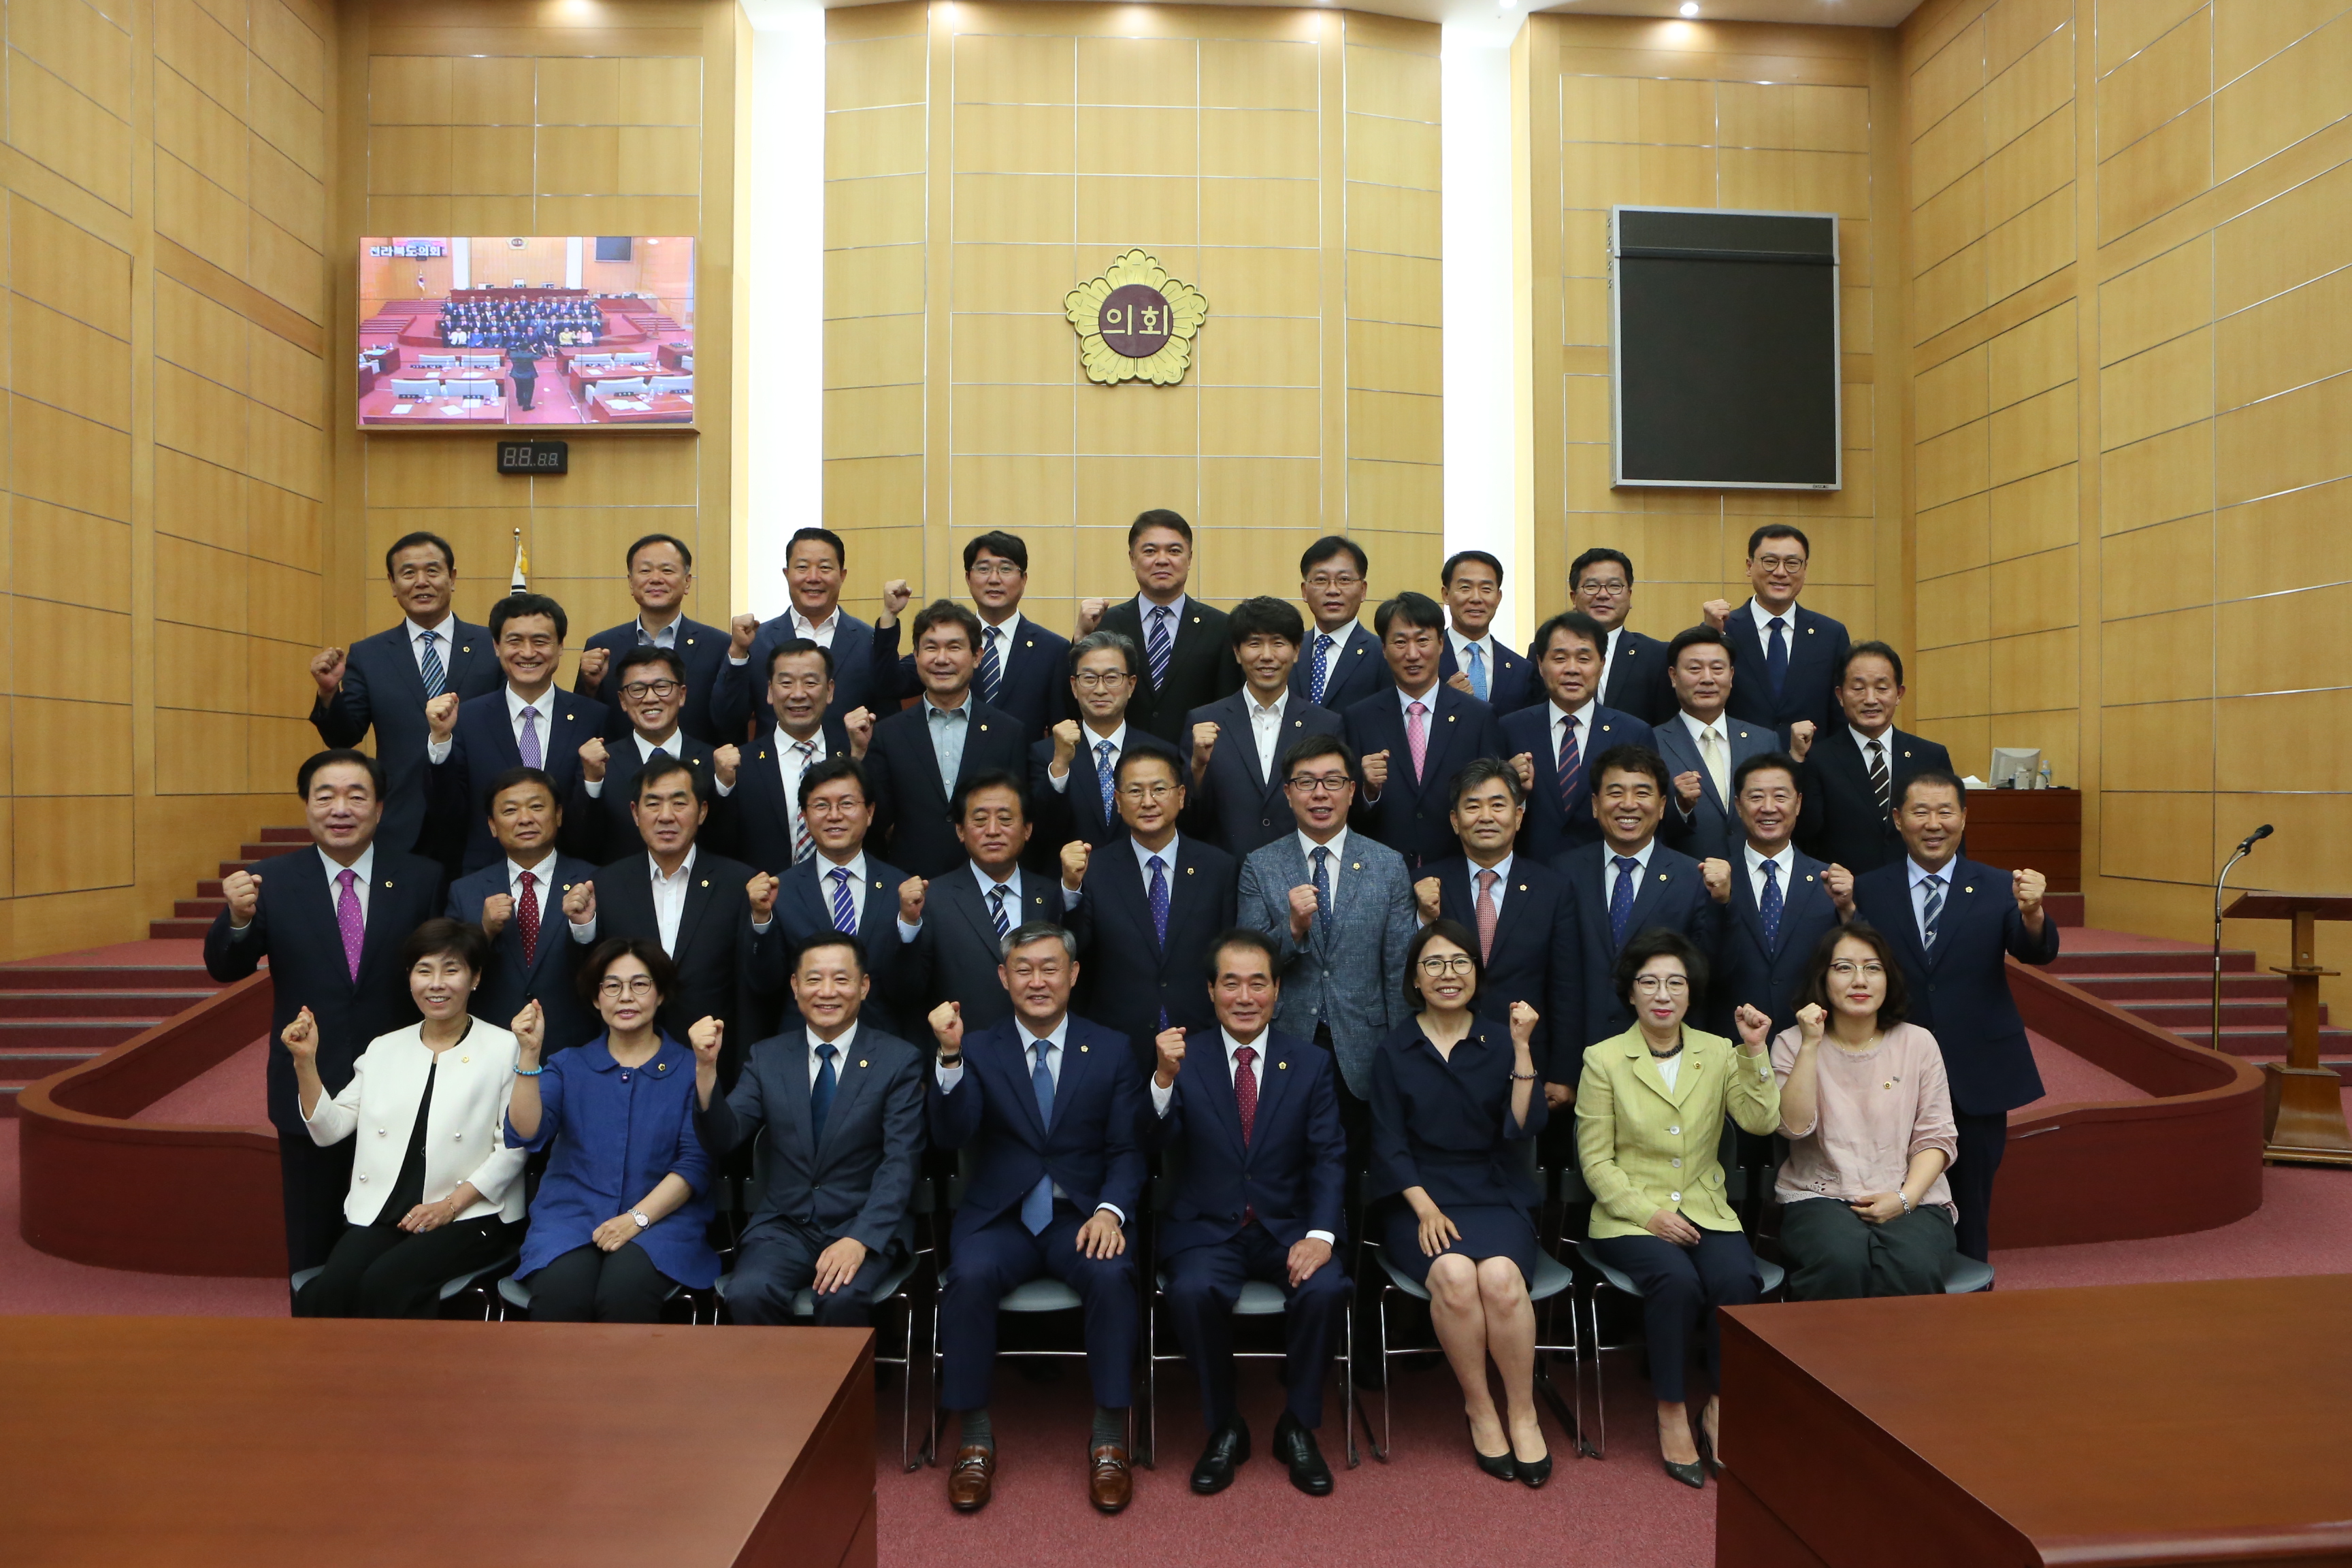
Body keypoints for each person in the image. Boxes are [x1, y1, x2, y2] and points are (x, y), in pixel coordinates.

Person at [930, 923, 1146, 1515]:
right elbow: (952, 1132)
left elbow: (1129, 1150)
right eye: (1023, 969)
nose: (1038, 981)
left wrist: (1109, 1210)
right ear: (1003, 979)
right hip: (1000, 1218)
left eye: (1050, 968)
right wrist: (949, 1056)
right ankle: (974, 1438)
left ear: (1074, 975)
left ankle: (1108, 1440)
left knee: (1110, 1275)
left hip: (1079, 1216)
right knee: (967, 1279)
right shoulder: (976, 1048)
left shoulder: (1111, 1048)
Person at [204, 750, 447, 1269]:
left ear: (379, 809)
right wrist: (239, 919)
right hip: (310, 1085)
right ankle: (312, 1343)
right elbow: (226, 968)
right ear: (307, 807)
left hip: (400, 1088)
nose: (341, 808)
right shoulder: (270, 882)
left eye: (356, 796)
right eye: (325, 796)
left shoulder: (423, 879)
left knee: (393, 1242)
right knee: (313, 1241)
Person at [1575, 929, 1780, 1488]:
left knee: (1739, 1279)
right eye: (1649, 983)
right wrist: (1648, 1216)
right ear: (1631, 993)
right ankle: (1670, 1411)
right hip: (1629, 1215)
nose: (1662, 994)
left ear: (1691, 993)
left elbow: (1760, 1122)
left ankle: (1716, 1403)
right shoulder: (1605, 1059)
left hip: (1703, 1206)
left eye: (1675, 983)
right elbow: (1596, 1163)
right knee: (1678, 1284)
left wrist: (1756, 1053)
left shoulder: (1718, 1050)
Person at [1148, 928, 1348, 1497]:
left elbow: (1330, 1156)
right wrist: (1162, 1080)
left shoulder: (1309, 1063)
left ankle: (1298, 1425)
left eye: (1257, 983)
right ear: (1210, 991)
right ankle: (1225, 1423)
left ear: (1277, 991)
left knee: (1327, 1288)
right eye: (1230, 983)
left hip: (1288, 1227)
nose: (1244, 996)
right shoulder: (1183, 1059)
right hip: (1209, 1228)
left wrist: (1321, 1235)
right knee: (1190, 1292)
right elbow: (1151, 1142)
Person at [1850, 770, 2059, 1262]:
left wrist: (2033, 914)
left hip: (1978, 1071)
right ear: (1899, 820)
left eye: (1946, 811)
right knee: (1896, 1188)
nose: (1934, 823)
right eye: (1920, 812)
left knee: (1973, 1198)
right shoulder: (1870, 889)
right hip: (1893, 1070)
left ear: (1965, 818)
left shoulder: (1995, 886)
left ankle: (1971, 1301)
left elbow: (2035, 951)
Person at [1368, 921, 1550, 1485]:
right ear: (1415, 980)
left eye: (1461, 963)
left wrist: (1522, 1048)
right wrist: (1423, 1207)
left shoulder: (1499, 1040)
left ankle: (1522, 1411)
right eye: (1434, 965)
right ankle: (1479, 1406)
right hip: (1417, 1198)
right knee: (1451, 1274)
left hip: (1492, 1190)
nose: (1449, 975)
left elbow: (1523, 1127)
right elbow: (1387, 1143)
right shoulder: (1395, 1048)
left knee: (1498, 1277)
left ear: (1478, 973)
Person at [289, 920, 525, 1317]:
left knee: (386, 1285)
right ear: (410, 979)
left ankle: (394, 1379)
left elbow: (514, 1147)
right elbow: (330, 1130)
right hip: (387, 1212)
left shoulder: (505, 1048)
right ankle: (329, 1379)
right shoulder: (384, 1048)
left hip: (470, 1214)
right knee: (332, 1289)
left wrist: (450, 1206)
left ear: (476, 978)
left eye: (451, 970)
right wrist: (305, 1063)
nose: (437, 984)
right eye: (424, 970)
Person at [690, 935, 927, 1326]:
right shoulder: (767, 1057)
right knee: (748, 1292)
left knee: (840, 1298)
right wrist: (705, 1070)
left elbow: (900, 1162)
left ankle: (841, 1388)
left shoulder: (898, 1061)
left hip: (861, 1221)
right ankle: (778, 1389)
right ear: (796, 987)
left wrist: (860, 1239)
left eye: (842, 979)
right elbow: (721, 1137)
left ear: (864, 987)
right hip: (785, 1225)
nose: (827, 992)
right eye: (814, 980)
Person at [505, 941, 719, 1321]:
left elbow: (694, 1163)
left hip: (663, 1223)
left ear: (661, 994)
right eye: (612, 986)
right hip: (570, 1220)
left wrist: (636, 1219)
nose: (626, 997)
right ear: (595, 998)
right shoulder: (569, 1064)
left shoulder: (691, 1067)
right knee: (561, 1296)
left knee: (624, 1295)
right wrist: (529, 1055)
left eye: (640, 984)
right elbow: (526, 1132)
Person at [1236, 734, 1416, 1170]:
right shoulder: (1260, 865)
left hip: (1364, 1045)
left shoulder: (1387, 865)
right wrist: (1293, 928)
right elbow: (1248, 966)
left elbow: (1398, 972)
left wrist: (1402, 1054)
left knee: (1354, 1168)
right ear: (1287, 792)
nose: (1320, 793)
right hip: (1287, 1039)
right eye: (1306, 782)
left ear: (1353, 791)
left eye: (1333, 781)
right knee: (1285, 1165)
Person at [1772, 924, 1959, 1301]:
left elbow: (1936, 1136)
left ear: (1888, 978)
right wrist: (1810, 1045)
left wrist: (1904, 1198)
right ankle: (1824, 1361)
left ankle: (1904, 1362)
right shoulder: (1791, 1043)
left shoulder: (1918, 1042)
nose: (1860, 980)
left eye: (1873, 968)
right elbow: (1793, 1126)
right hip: (1818, 1197)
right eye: (1844, 968)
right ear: (1823, 979)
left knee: (1913, 1265)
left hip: (1912, 1195)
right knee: (1840, 1261)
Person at [584, 755, 787, 1088]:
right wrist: (582, 927)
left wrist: (761, 919)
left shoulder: (739, 883)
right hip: (626, 1067)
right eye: (654, 804)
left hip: (713, 1062)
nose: (666, 816)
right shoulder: (606, 884)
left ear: (703, 811)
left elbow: (762, 982)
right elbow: (588, 981)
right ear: (635, 813)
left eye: (679, 803)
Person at [308, 532, 502, 861]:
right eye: (409, 573)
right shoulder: (369, 654)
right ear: (393, 584)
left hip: (479, 817)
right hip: (403, 822)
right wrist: (329, 693)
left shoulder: (492, 646)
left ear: (452, 578)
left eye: (433, 571)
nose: (422, 582)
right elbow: (345, 737)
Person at [1063, 749, 1238, 1074]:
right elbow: (1075, 948)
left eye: (1159, 789)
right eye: (1134, 791)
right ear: (1117, 800)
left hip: (1200, 1039)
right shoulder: (1094, 870)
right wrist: (1070, 888)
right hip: (1117, 1044)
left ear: (1181, 795)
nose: (1148, 801)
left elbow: (1228, 956)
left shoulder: (1218, 868)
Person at [1413, 759, 1579, 1099]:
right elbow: (1406, 972)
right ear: (1455, 822)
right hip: (1441, 1058)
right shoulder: (1425, 885)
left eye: (1498, 805)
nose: (1486, 817)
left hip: (1527, 1060)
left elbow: (1566, 986)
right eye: (1472, 807)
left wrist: (1563, 1073)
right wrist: (1422, 919)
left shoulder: (1553, 889)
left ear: (1518, 817)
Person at [1552, 745, 1722, 1060]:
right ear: (1595, 804)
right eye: (1615, 792)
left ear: (1661, 806)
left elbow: (1706, 975)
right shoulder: (1561, 874)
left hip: (1665, 1057)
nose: (1628, 804)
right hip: (1580, 1056)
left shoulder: (1692, 878)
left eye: (1642, 793)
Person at [427, 591, 607, 872]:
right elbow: (448, 811)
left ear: (560, 646)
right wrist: (440, 740)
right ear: (497, 646)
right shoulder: (466, 719)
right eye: (515, 641)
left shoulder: (593, 717)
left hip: (573, 880)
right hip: (486, 879)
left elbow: (600, 813)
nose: (527, 653)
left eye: (540, 641)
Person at [864, 600, 1030, 878]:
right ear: (915, 655)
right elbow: (876, 821)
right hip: (912, 885)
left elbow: (1021, 817)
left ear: (977, 656)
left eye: (954, 647)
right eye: (931, 647)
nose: (942, 659)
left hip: (989, 882)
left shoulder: (1009, 733)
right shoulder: (888, 733)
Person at [1343, 591, 1507, 869]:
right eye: (1400, 642)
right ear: (1383, 648)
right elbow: (1347, 810)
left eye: (1422, 640)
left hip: (1457, 870)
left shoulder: (1478, 717)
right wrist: (1368, 791)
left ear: (1441, 644)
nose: (1412, 654)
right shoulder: (1359, 718)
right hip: (1380, 872)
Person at [446, 767, 603, 1056]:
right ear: (493, 826)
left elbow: (613, 965)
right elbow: (450, 974)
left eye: (536, 807)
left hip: (577, 1048)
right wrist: (484, 933)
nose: (525, 819)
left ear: (558, 815)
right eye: (510, 811)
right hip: (491, 1050)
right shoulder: (465, 891)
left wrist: (584, 927)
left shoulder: (596, 881)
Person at [772, 757, 925, 1039]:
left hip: (885, 1049)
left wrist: (908, 924)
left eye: (846, 803)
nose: (834, 815)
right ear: (804, 816)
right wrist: (760, 922)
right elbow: (763, 985)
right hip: (802, 1049)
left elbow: (912, 988)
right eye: (821, 805)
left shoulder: (903, 889)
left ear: (869, 812)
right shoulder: (780, 891)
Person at [1182, 595, 1345, 860]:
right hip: (1226, 876)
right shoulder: (1204, 722)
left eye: (1278, 643)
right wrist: (1197, 767)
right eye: (1254, 644)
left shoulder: (1325, 724)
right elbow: (1189, 818)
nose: (1266, 656)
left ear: (1296, 651)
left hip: (1303, 877)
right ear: (1237, 652)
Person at [871, 532, 1071, 743]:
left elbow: (1061, 730)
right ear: (968, 578)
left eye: (1006, 569)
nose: (994, 579)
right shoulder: (948, 643)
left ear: (1023, 579)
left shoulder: (1053, 650)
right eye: (983, 569)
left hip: (1021, 772)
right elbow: (890, 685)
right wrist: (889, 616)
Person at [1705, 753, 1850, 1041]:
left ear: (1798, 804)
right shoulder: (1713, 879)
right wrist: (1721, 903)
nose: (1768, 808)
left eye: (1780, 797)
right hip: (1732, 1044)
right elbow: (1703, 965)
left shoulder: (1831, 883)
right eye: (1756, 797)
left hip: (1814, 1043)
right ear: (1738, 806)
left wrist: (1848, 911)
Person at [912, 772, 1068, 1031]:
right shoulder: (933, 899)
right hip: (966, 1050)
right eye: (981, 820)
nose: (993, 830)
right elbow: (910, 986)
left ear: (1027, 829)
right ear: (961, 830)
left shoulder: (1053, 895)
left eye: (1005, 819)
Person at [1499, 610, 1650, 862]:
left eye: (1583, 659)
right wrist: (1512, 790)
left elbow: (1650, 814)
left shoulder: (1633, 732)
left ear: (1601, 665)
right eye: (1559, 658)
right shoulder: (1510, 729)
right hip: (1529, 877)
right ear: (1540, 664)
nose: (1572, 669)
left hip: (1604, 878)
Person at [1082, 509, 1241, 745]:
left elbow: (1228, 705)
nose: (1162, 560)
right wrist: (1081, 637)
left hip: (1193, 765)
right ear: (1132, 559)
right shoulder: (1106, 624)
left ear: (1189, 559)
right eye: (1150, 551)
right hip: (1122, 765)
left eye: (1174, 551)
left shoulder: (1221, 627)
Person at [1796, 642, 1954, 875]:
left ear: (1899, 694)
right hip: (1846, 894)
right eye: (1858, 688)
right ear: (1840, 695)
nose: (1870, 699)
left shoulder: (1931, 756)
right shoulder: (1818, 759)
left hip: (1916, 892)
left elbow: (1952, 833)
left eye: (1882, 688)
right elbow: (1806, 835)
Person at [572, 645, 738, 862]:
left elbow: (729, 847)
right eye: (637, 689)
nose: (650, 699)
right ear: (622, 700)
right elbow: (579, 846)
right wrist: (593, 782)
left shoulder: (713, 762)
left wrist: (724, 787)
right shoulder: (599, 763)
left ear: (682, 695)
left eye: (662, 687)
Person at [1029, 631, 1179, 870]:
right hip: (1072, 887)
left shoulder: (1161, 753)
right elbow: (1039, 833)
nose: (1100, 689)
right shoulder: (1045, 754)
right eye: (1089, 678)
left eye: (1112, 678)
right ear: (1074, 686)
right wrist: (1060, 764)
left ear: (1131, 685)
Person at [574, 534, 735, 745]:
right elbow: (583, 722)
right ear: (631, 582)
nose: (656, 578)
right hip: (622, 771)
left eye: (667, 570)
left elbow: (730, 722)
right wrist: (590, 687)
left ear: (687, 582)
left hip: (695, 770)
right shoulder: (603, 646)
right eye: (645, 570)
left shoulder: (718, 646)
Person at [730, 639, 873, 877]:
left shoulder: (854, 751)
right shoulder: (742, 763)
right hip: (766, 899)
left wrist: (858, 757)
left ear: (830, 691)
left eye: (810, 682)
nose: (798, 694)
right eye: (786, 683)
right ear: (769, 690)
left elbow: (876, 825)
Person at [1703, 524, 1852, 747]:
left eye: (1792, 563)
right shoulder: (1722, 630)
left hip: (1810, 769)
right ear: (1749, 566)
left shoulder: (1831, 634)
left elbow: (1841, 713)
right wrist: (1710, 634)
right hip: (1738, 767)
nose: (1781, 572)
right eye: (1770, 561)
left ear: (1804, 569)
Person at [723, 526, 879, 735]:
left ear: (842, 576)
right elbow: (728, 720)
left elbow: (888, 721)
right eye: (802, 567)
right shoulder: (756, 641)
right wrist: (737, 654)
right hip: (773, 766)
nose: (813, 578)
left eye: (825, 568)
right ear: (787, 574)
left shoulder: (869, 641)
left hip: (848, 764)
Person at [1652, 626, 1777, 865]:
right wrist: (1680, 807)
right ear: (1673, 676)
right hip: (1684, 878)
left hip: (1754, 881)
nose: (1707, 678)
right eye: (1695, 669)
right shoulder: (1651, 742)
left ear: (1731, 675)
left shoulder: (1764, 741)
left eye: (1717, 669)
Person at [1567, 547, 1673, 724]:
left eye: (1614, 586)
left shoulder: (1658, 656)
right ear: (1574, 598)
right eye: (1591, 586)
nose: (1602, 595)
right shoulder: (1546, 651)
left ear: (1629, 596)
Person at [1292, 536, 1388, 713]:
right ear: (1305, 591)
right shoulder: (1290, 650)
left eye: (1344, 580)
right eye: (1321, 580)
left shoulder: (1382, 654)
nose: (1333, 590)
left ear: (1363, 590)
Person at [1436, 551, 1537, 715]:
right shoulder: (1424, 658)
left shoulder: (1521, 670)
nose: (1476, 598)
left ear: (1498, 598)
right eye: (1465, 588)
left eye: (1486, 589)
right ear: (1446, 595)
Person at [507, 338, 543, 411]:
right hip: (528, 375)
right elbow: (540, 357)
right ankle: (526, 406)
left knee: (519, 388)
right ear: (528, 348)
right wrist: (533, 351)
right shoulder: (530, 355)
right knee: (528, 390)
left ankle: (520, 402)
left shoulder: (513, 354)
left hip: (516, 374)